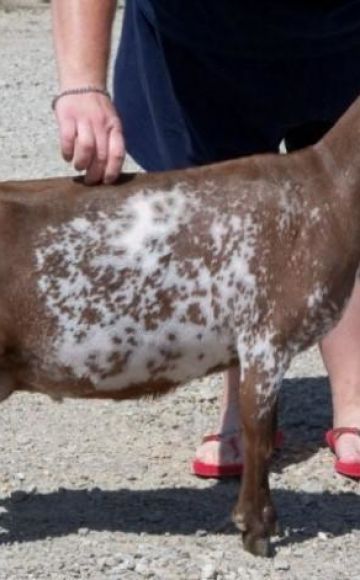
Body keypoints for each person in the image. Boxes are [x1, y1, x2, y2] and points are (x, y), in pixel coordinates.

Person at [51, 0, 360, 478]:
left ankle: (355, 399)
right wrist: (81, 82)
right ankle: (244, 403)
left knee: (347, 203)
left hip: (343, 34)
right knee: (223, 224)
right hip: (196, 50)